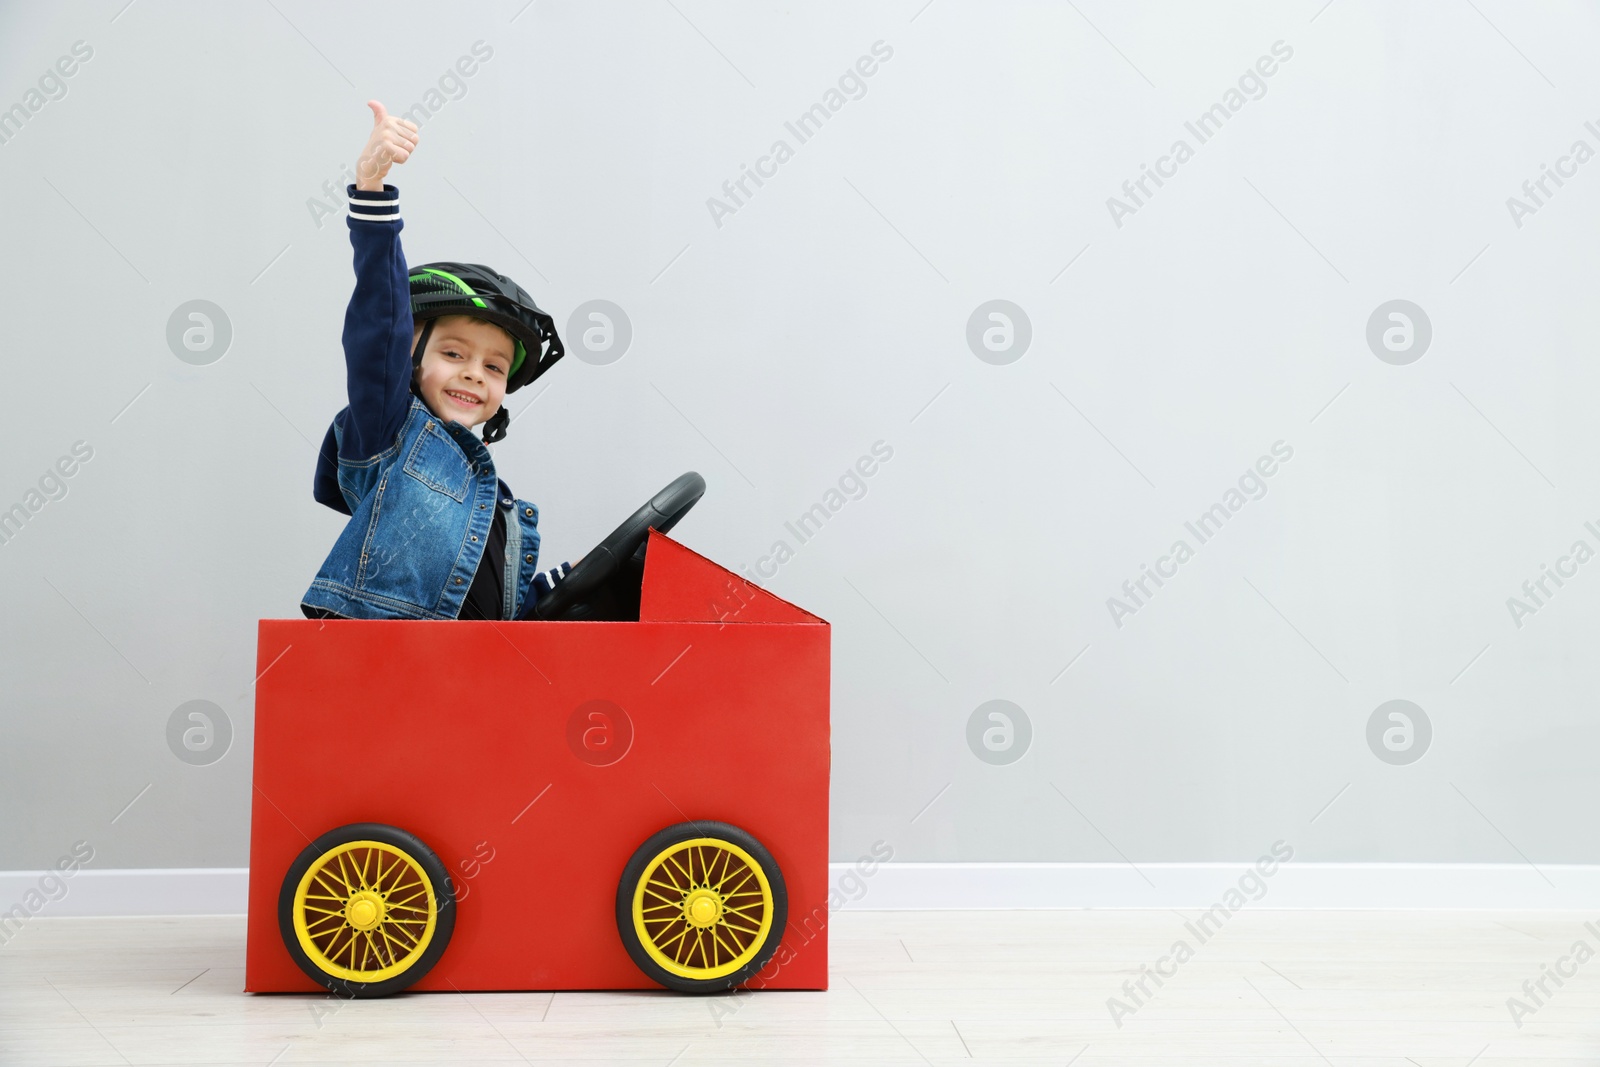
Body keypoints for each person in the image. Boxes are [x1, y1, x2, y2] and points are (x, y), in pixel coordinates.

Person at [300, 100, 570, 621]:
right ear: (409, 357)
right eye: (453, 353)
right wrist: (372, 191)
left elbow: (502, 612)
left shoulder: (500, 507)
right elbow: (379, 326)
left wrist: (581, 576)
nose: (475, 372)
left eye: (494, 367)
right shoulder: (389, 435)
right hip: (385, 672)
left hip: (466, 684)